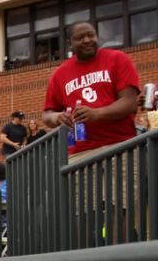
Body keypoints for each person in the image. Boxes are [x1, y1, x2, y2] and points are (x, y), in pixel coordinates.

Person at [42, 22, 140, 159]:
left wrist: (97, 113)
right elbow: (47, 114)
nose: (87, 40)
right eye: (80, 37)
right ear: (70, 43)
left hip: (120, 146)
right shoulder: (59, 74)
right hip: (80, 153)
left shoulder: (117, 59)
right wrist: (57, 117)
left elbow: (130, 102)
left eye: (91, 35)